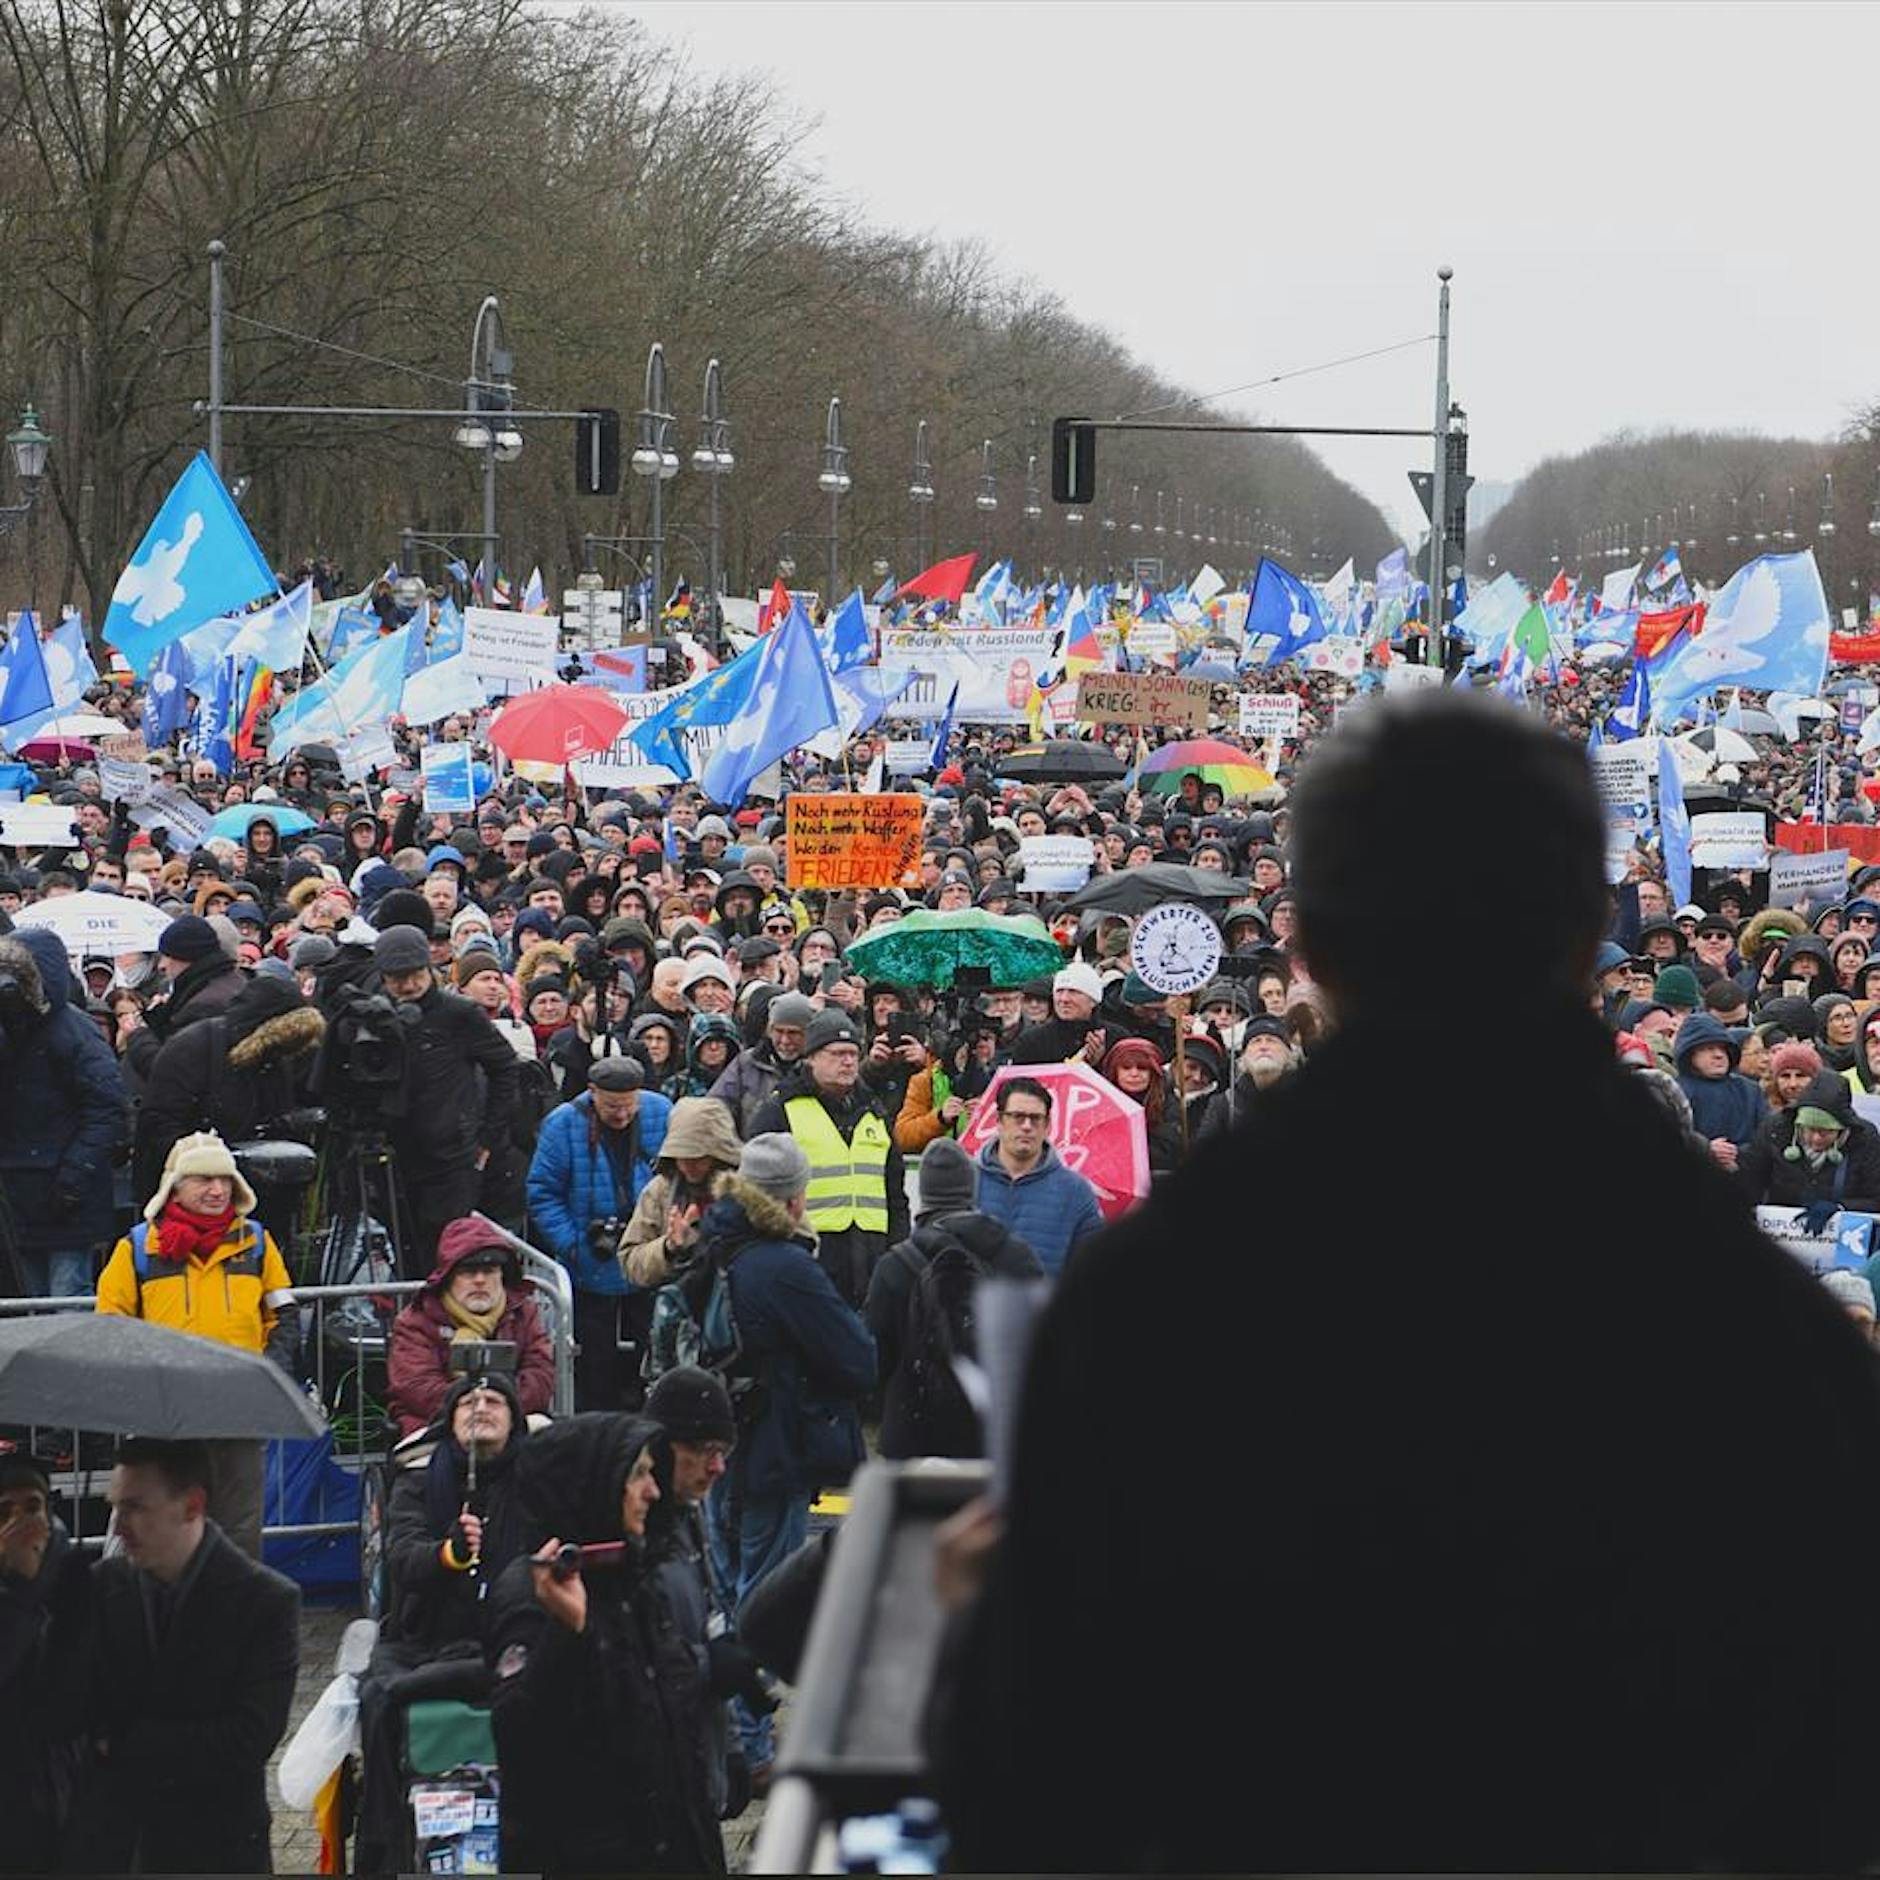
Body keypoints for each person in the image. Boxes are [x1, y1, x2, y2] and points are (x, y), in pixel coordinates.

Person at [932, 690, 1880, 1872]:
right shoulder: (1775, 1344)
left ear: (1307, 948)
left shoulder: (1151, 1309)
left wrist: (986, 1621)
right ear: (1582, 928)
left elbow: (1026, 1792)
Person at [697, 1134, 876, 1780]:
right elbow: (857, 1358)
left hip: (716, 1444)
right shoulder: (784, 1266)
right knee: (764, 1599)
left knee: (725, 1588)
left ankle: (724, 1735)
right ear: (795, 1197)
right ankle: (750, 1746)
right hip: (774, 1447)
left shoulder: (713, 1241)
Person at [488, 1415, 724, 1874]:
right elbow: (520, 1739)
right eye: (637, 1474)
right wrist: (569, 1632)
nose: (652, 1491)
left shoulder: (636, 1580)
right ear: (593, 1486)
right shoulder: (532, 1592)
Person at [67, 1438, 300, 1876]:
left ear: (192, 1505)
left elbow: (248, 1738)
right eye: (115, 1506)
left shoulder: (265, 1601)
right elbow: (68, 1712)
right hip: (113, 1842)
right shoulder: (101, 1586)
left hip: (214, 1847)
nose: (118, 1527)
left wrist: (124, 1742)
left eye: (135, 1507)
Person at [96, 1132, 298, 1558]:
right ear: (175, 1186)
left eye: (225, 1179)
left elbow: (284, 1317)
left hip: (238, 1410)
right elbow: (111, 1327)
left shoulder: (257, 1243)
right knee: (165, 1527)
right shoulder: (137, 1249)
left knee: (240, 1529)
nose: (217, 1189)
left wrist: (267, 1374)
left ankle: (234, 1618)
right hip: (167, 1416)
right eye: (204, 1179)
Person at [346, 922, 522, 1275]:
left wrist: (487, 1136)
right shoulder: (372, 1015)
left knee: (446, 1258)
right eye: (397, 979)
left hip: (450, 1160)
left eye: (414, 975)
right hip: (391, 1156)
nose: (408, 986)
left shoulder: (459, 1014)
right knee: (405, 1261)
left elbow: (506, 1068)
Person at [865, 1137, 1040, 1460]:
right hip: (992, 1433)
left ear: (925, 1193)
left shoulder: (894, 1266)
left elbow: (874, 1358)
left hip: (912, 1434)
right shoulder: (1015, 1256)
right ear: (971, 1189)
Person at [643, 1366, 759, 1826]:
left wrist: (729, 1751)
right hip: (651, 1801)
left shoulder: (689, 1519)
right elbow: (633, 1666)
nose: (718, 1467)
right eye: (704, 1451)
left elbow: (709, 1626)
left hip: (696, 1780)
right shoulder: (626, 1536)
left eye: (724, 1452)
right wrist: (712, 1666)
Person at [527, 1055, 672, 1409]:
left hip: (649, 1256)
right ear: (591, 1092)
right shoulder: (563, 1124)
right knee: (595, 1363)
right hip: (590, 1262)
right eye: (611, 1106)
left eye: (628, 1105)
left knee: (654, 1352)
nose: (621, 1115)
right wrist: (573, 1244)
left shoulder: (662, 1112)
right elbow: (542, 1192)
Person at [747, 1009, 909, 1310]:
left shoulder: (874, 1112)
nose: (848, 1061)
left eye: (852, 1053)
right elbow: (755, 1195)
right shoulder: (781, 1109)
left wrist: (898, 1254)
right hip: (807, 1259)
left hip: (872, 1263)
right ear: (811, 1057)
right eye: (836, 1053)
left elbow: (895, 1195)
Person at [0, 927, 129, 1297]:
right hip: (21, 1193)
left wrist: (75, 1174)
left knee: (65, 1305)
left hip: (67, 1196)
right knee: (31, 1307)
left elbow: (107, 1108)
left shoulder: (73, 1032)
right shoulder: (11, 1032)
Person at [131, 968, 325, 1199]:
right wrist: (213, 1160)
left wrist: (289, 1123)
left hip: (256, 1186)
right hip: (191, 1188)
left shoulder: (275, 1056)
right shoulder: (195, 1048)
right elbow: (159, 1122)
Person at [0, 1454, 90, 1875]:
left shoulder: (71, 1571)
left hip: (60, 1776)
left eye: (32, 1507)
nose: (21, 1523)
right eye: (5, 1511)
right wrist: (20, 1592)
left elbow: (78, 1676)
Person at [387, 1217, 557, 1436]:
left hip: (515, 1423)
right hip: (435, 1428)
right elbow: (416, 1389)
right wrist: (476, 1409)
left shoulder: (525, 1312)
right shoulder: (416, 1320)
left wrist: (498, 1412)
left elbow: (541, 1378)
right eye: (468, 1272)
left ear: (502, 1274)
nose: (480, 1280)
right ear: (448, 1277)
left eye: (489, 1271)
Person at [970, 1075, 1104, 1276]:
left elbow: (1092, 1272)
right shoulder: (964, 1182)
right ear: (999, 1121)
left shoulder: (1075, 1191)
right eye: (1017, 1116)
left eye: (1035, 1118)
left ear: (1047, 1125)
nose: (1026, 1126)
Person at [620, 1094, 745, 1292]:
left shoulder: (748, 1189)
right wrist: (668, 1247)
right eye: (680, 1157)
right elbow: (630, 1262)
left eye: (697, 1158)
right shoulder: (660, 1191)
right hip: (680, 1307)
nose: (687, 1166)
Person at [1738, 1068, 1880, 1220]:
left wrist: (1842, 1206)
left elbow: (1876, 1197)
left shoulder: (1864, 1138)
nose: (1816, 1138)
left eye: (1825, 1132)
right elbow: (1751, 1181)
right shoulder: (1775, 1131)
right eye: (1809, 1130)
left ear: (1841, 1130)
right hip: (1781, 1228)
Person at [708, 988, 815, 1137]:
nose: (784, 1041)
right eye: (778, 1031)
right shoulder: (745, 1064)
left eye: (793, 1033)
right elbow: (716, 1109)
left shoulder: (819, 1069)